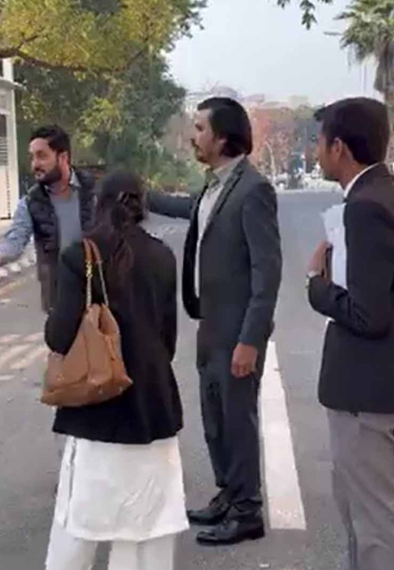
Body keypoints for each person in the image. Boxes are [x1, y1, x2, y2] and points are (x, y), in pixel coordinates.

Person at [306, 97, 394, 570]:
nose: (315, 152)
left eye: (319, 141)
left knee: (373, 520)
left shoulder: (366, 206)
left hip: (365, 385)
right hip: (378, 380)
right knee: (362, 512)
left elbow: (369, 314)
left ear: (339, 147)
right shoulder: (390, 195)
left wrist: (317, 286)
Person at [147, 97, 282, 546]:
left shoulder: (253, 190)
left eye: (201, 128)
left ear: (223, 138)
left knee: (237, 420)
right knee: (215, 419)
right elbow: (188, 210)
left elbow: (267, 273)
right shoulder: (214, 186)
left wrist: (251, 340)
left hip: (236, 332)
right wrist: (138, 193)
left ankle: (247, 511)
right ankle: (228, 493)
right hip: (209, 324)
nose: (194, 136)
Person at [43, 171, 187, 570]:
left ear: (99, 203)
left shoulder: (80, 255)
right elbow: (168, 340)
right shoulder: (162, 255)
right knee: (148, 526)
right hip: (153, 408)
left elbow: (60, 337)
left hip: (98, 409)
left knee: (80, 524)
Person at [0, 125, 95, 313]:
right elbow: (15, 240)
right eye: (32, 157)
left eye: (42, 156)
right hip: (58, 299)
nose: (35, 164)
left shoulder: (94, 191)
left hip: (99, 294)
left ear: (63, 157)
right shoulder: (30, 202)